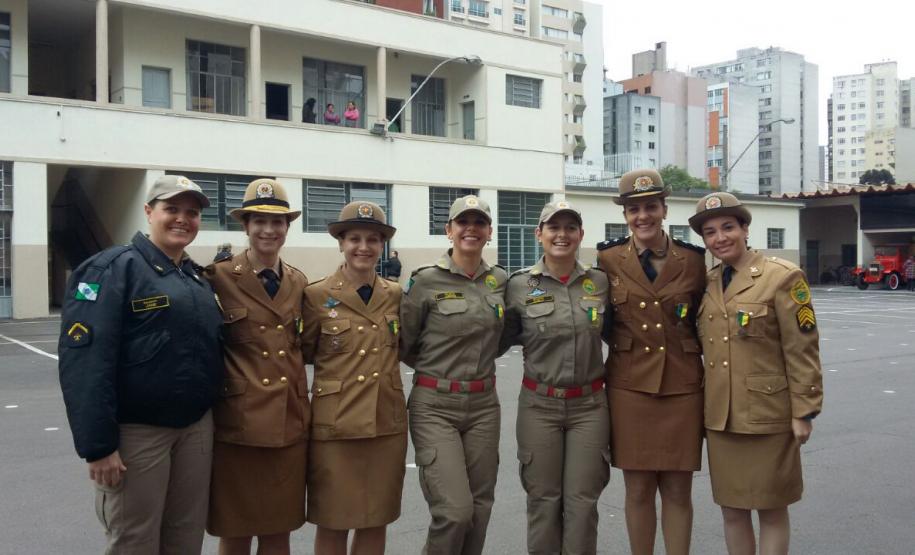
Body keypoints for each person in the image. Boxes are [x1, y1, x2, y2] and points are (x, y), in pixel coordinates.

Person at [58, 175, 224, 553]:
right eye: (172, 209)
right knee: (135, 540)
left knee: (185, 536)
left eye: (192, 213)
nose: (182, 219)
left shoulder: (196, 279)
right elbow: (84, 361)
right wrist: (98, 446)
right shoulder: (111, 270)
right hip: (138, 434)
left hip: (194, 428)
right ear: (149, 212)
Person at [688, 192, 824, 555]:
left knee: (771, 508)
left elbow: (802, 347)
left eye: (728, 227)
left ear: (745, 228)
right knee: (732, 511)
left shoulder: (782, 277)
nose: (720, 238)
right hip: (721, 417)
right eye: (711, 232)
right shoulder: (709, 282)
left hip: (768, 416)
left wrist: (804, 410)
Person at [595, 169, 706, 555]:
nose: (643, 216)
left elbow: (705, 321)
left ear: (664, 208)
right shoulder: (606, 259)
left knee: (678, 489)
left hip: (682, 386)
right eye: (634, 208)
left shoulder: (693, 261)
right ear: (625, 214)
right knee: (638, 488)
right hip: (630, 387)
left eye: (651, 207)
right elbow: (601, 320)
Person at [204, 179, 310, 555]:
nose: (269, 229)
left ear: (287, 228)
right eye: (259, 221)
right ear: (245, 226)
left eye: (278, 222)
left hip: (288, 421)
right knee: (235, 530)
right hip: (239, 425)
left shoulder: (298, 282)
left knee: (279, 530)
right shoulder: (217, 278)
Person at [503, 200, 612, 555]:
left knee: (582, 503)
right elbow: (497, 338)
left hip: (589, 407)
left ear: (581, 235)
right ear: (540, 234)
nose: (561, 235)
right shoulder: (519, 285)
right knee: (543, 501)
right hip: (540, 406)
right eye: (553, 228)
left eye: (570, 228)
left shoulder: (600, 282)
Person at [400, 195, 507, 555]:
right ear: (449, 230)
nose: (471, 229)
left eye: (479, 223)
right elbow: (405, 342)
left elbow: (503, 337)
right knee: (454, 511)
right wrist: (440, 370)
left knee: (479, 508)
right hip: (435, 405)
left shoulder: (501, 281)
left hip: (483, 406)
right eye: (463, 222)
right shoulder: (426, 281)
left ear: (489, 232)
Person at [301, 201, 407, 555]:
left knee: (376, 519)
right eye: (355, 239)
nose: (364, 247)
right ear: (341, 243)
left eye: (373, 239)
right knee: (333, 520)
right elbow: (304, 350)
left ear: (382, 246)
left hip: (384, 422)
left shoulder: (395, 294)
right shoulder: (316, 295)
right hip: (336, 425)